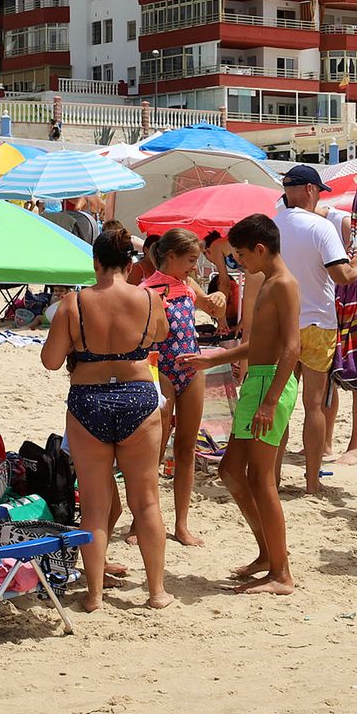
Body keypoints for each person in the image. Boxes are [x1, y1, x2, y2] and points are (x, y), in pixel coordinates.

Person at [39, 226, 173, 611]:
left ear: (95, 262)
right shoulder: (149, 299)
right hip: (138, 398)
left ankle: (94, 596)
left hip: (88, 400)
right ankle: (156, 592)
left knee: (95, 507)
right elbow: (158, 337)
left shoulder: (73, 304)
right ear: (130, 264)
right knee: (146, 502)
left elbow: (50, 361)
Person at [185, 213, 301, 595]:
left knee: (262, 479)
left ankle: (281, 573)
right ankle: (268, 554)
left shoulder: (284, 284)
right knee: (233, 471)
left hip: (270, 385)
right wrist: (213, 358)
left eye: (240, 256)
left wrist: (270, 400)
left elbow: (290, 347)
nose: (238, 263)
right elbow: (263, 344)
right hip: (259, 380)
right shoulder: (267, 282)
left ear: (260, 249)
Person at [272, 166, 357, 492]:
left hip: (280, 323)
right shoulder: (321, 227)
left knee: (279, 401)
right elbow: (341, 276)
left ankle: (271, 476)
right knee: (313, 405)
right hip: (317, 323)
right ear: (312, 190)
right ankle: (312, 481)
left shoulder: (270, 226)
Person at [142, 228, 226, 547]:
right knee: (155, 450)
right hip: (161, 368)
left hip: (192, 367)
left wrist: (219, 296)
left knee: (186, 448)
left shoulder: (188, 285)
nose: (194, 266)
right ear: (171, 256)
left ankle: (181, 524)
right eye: (190, 260)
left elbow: (214, 309)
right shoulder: (147, 290)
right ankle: (144, 521)